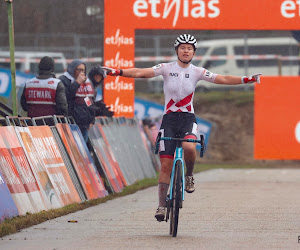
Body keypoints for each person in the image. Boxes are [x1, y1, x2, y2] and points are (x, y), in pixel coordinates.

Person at [104, 34, 261, 222]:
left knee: (189, 147)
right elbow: (141, 72)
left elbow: (222, 79)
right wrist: (118, 72)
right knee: (165, 166)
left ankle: (189, 175)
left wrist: (246, 79)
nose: (186, 51)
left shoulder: (197, 71)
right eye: (182, 47)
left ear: (194, 52)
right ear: (176, 50)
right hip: (169, 120)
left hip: (187, 119)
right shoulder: (166, 68)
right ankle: (161, 205)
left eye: (189, 48)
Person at [59, 60, 112, 143]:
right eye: (78, 70)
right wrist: (77, 83)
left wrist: (93, 118)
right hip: (71, 122)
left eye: (83, 70)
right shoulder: (64, 80)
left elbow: (89, 102)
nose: (81, 72)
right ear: (72, 69)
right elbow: (66, 97)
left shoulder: (88, 83)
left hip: (84, 124)